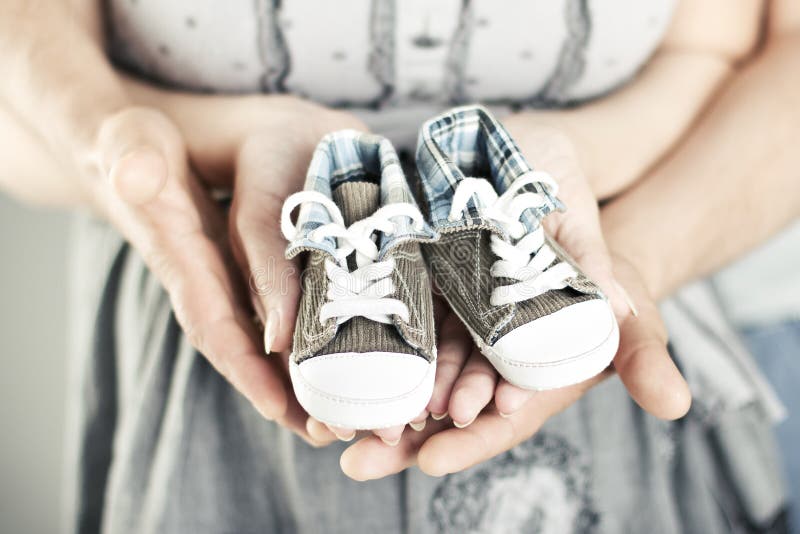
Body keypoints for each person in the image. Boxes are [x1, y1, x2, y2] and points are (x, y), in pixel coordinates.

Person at [0, 1, 797, 532]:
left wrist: (623, 232)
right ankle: (355, 224)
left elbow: (725, 50)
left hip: (608, 216)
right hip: (209, 296)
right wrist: (143, 148)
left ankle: (487, 201)